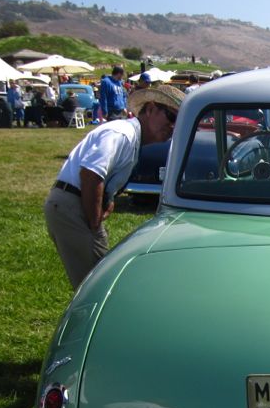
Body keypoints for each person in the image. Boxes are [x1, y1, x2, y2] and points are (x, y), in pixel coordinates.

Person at [44, 85, 185, 289]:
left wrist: (107, 201)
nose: (173, 127)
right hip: (73, 206)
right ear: (151, 108)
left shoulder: (131, 138)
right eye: (171, 117)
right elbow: (91, 174)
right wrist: (93, 223)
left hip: (74, 204)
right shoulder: (122, 133)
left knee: (98, 280)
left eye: (178, 123)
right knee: (96, 287)